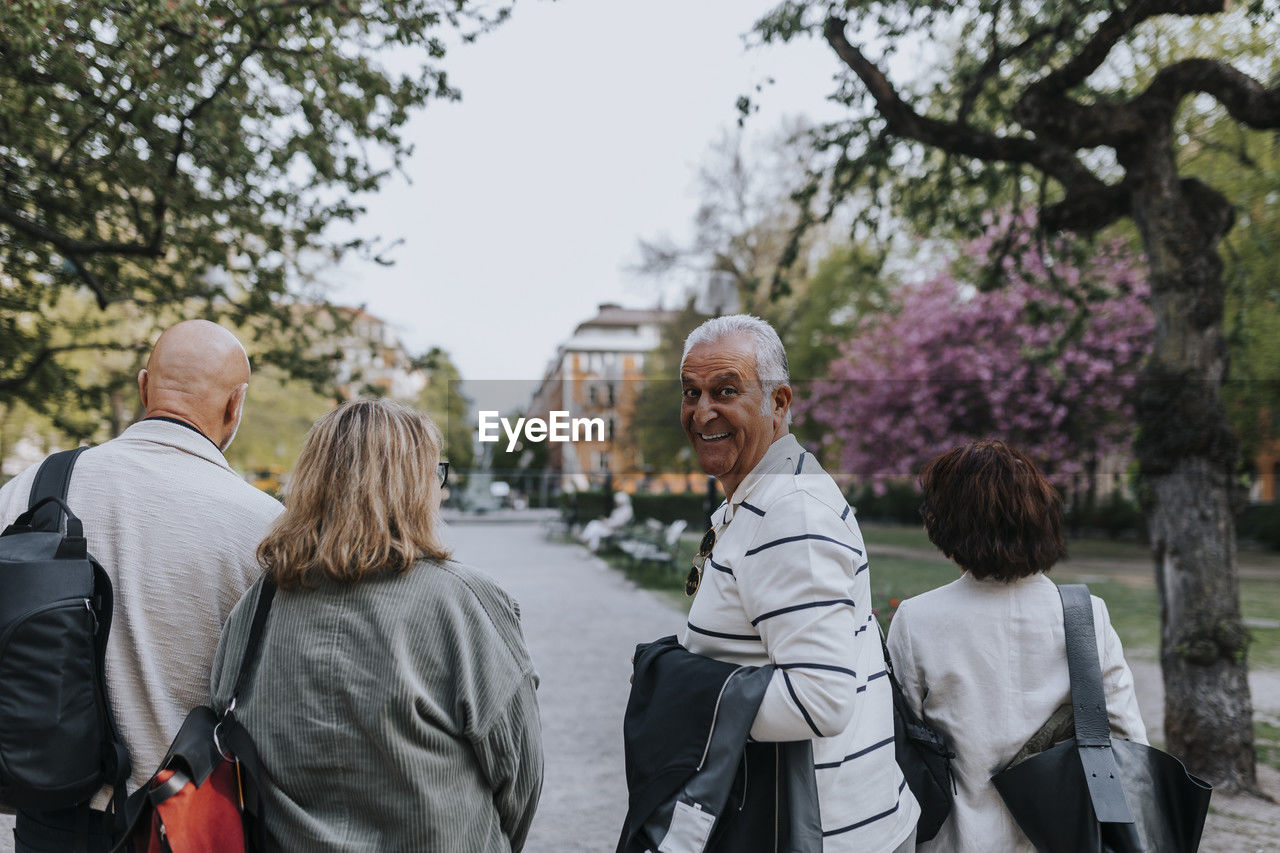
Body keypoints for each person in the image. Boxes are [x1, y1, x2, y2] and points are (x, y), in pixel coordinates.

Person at [210, 399, 543, 851]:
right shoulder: (464, 603)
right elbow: (519, 774)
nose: (440, 491)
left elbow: (226, 734)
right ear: (412, 487)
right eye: (434, 474)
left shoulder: (259, 603)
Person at [0, 320, 283, 852]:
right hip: (184, 825)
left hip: (49, 821)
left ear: (143, 385)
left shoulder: (34, 489)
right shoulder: (264, 527)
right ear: (235, 405)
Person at [677, 315, 919, 852]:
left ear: (780, 402)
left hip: (822, 834)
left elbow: (820, 700)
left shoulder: (791, 513)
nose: (702, 411)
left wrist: (675, 690)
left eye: (725, 391)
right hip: (812, 820)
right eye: (691, 393)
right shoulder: (764, 494)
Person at [887, 440, 1147, 852]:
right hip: (1065, 838)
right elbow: (1127, 740)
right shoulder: (1085, 613)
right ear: (1041, 516)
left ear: (947, 524)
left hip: (956, 839)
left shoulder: (917, 619)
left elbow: (903, 751)